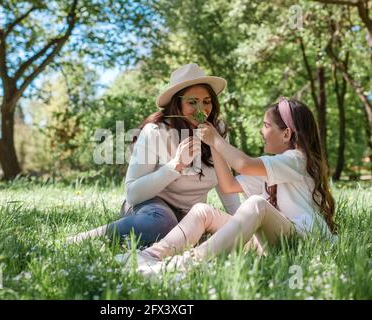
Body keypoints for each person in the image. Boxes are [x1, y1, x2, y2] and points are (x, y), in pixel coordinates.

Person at [127, 98, 337, 274]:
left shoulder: (297, 160)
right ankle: (150, 255)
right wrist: (212, 144)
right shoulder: (273, 166)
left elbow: (243, 164)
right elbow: (228, 185)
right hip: (271, 241)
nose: (261, 131)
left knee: (257, 204)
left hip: (302, 241)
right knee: (202, 211)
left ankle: (187, 263)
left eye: (266, 125)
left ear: (286, 134)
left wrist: (217, 139)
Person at [67, 63, 240, 247]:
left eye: (207, 101)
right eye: (192, 102)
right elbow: (133, 194)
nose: (201, 110)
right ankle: (85, 239)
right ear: (177, 104)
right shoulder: (156, 131)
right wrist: (175, 166)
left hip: (191, 214)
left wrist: (240, 222)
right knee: (162, 223)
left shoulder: (218, 131)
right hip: (152, 208)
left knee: (215, 233)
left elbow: (225, 183)